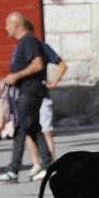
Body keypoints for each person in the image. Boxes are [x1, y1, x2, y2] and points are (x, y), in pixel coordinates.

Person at [0, 12, 52, 182]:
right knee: (33, 128)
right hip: (26, 91)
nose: (5, 28)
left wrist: (16, 76)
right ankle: (48, 165)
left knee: (20, 128)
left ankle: (13, 170)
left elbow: (37, 64)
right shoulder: (23, 43)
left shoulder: (29, 41)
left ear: (17, 24)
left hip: (30, 92)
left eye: (7, 25)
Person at [24, 21, 68, 172]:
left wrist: (54, 82)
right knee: (29, 130)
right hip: (27, 96)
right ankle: (36, 163)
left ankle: (50, 165)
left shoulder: (42, 47)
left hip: (42, 96)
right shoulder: (21, 47)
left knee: (45, 130)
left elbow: (62, 64)